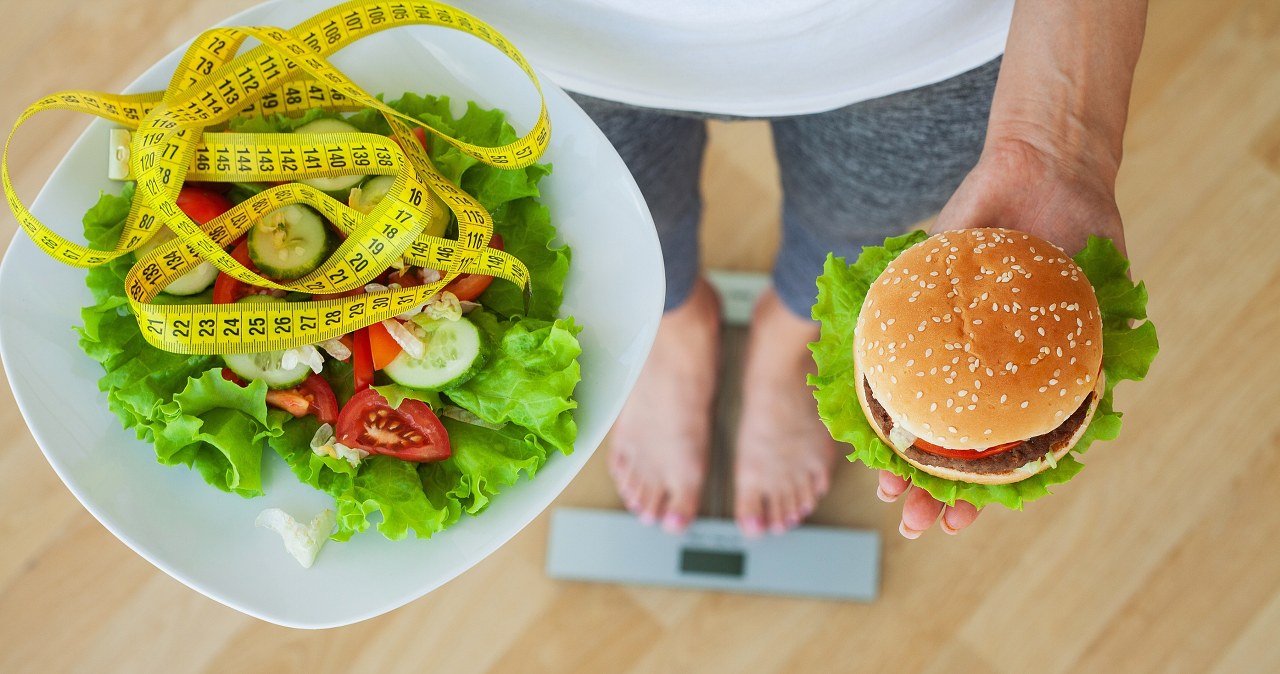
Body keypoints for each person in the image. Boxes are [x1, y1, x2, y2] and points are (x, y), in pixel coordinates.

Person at [456, 0, 1146, 538]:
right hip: (547, 39)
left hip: (922, 43)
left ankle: (792, 341)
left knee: (854, 221)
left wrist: (1059, 141)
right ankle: (675, 333)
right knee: (626, 222)